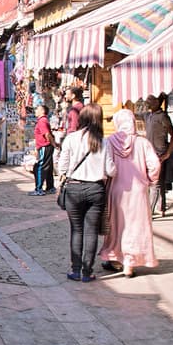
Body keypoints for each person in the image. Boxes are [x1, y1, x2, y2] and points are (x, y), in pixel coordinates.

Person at [99, 109, 161, 278]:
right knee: (136, 227)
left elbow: (106, 167)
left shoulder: (109, 142)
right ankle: (129, 265)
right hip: (138, 192)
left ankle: (117, 259)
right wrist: (149, 180)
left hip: (116, 190)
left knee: (118, 226)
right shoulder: (143, 143)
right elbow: (155, 165)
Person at [58, 104, 115, 282]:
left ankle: (75, 269)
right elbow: (111, 170)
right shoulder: (103, 142)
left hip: (73, 189)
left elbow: (62, 167)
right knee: (91, 232)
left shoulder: (71, 139)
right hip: (96, 190)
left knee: (76, 230)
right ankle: (87, 272)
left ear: (81, 118)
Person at [143, 94, 173, 216]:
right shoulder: (148, 116)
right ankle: (161, 208)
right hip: (149, 153)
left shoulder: (163, 117)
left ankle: (149, 212)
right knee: (159, 181)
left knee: (155, 183)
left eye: (151, 99)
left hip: (159, 153)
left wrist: (168, 153)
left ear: (158, 102)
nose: (148, 101)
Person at [29, 105, 56, 196]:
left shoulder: (42, 121)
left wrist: (53, 144)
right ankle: (50, 187)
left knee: (40, 167)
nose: (35, 110)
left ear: (42, 111)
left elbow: (47, 134)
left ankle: (39, 189)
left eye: (37, 109)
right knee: (48, 167)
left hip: (45, 146)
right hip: (45, 146)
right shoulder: (43, 121)